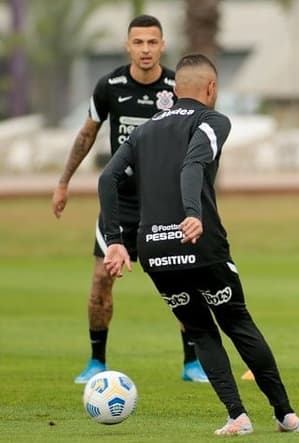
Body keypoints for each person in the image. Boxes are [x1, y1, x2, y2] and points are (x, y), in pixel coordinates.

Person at [97, 53, 299, 436]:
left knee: (200, 331)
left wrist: (115, 241)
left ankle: (237, 416)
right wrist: (192, 213)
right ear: (211, 88)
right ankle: (285, 415)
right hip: (200, 243)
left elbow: (107, 179)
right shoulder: (212, 120)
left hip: (154, 250)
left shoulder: (144, 130)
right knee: (238, 322)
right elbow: (193, 164)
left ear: (176, 90)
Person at [51, 14, 207, 384]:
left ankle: (192, 363)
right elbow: (87, 135)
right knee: (101, 280)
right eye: (138, 42)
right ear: (128, 46)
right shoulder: (110, 86)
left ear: (163, 44)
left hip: (162, 203)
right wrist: (63, 182)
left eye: (152, 42)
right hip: (119, 204)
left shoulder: (176, 86)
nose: (146, 49)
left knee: (182, 277)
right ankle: (96, 361)